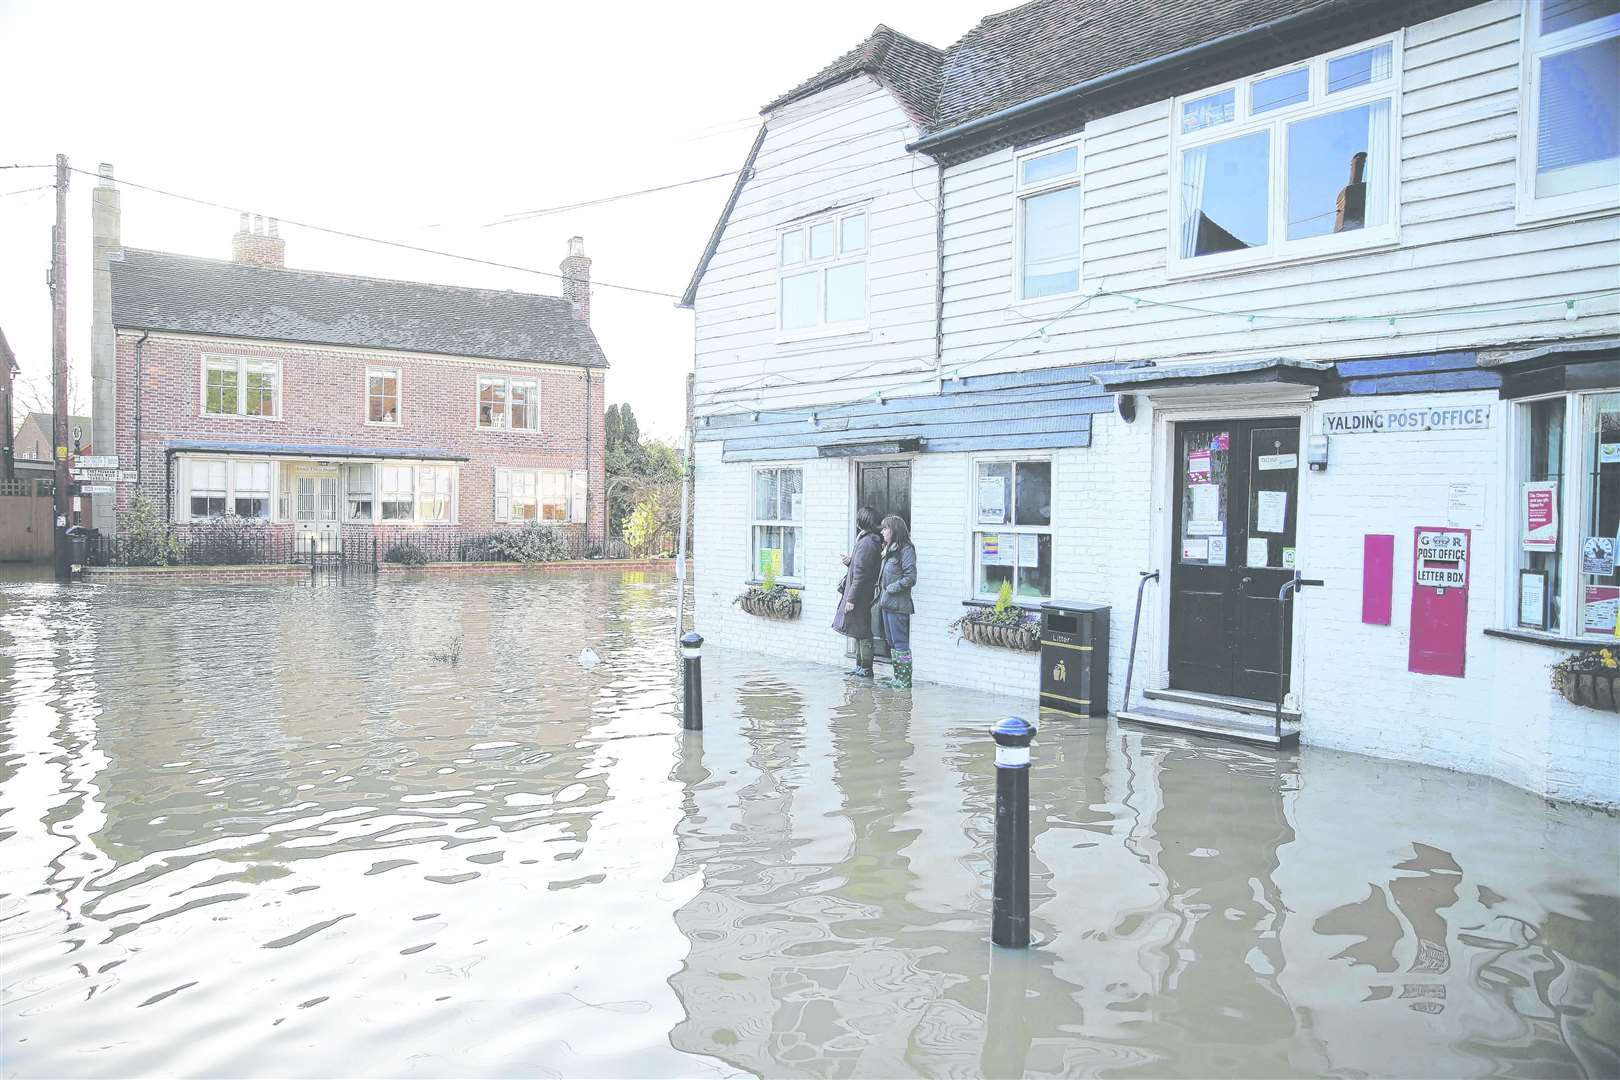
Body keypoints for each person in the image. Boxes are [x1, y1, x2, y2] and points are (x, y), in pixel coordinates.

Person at [833, 506, 882, 678]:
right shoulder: (867, 540)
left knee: (862, 631)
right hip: (861, 591)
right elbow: (861, 567)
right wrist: (851, 561)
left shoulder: (867, 543)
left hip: (860, 594)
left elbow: (861, 575)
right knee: (857, 629)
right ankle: (860, 666)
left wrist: (851, 599)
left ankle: (866, 668)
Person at [876, 514, 917, 689]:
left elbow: (911, 577)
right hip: (886, 603)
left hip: (899, 604)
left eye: (886, 528)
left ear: (895, 530)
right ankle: (897, 678)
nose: (883, 532)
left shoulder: (906, 550)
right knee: (891, 641)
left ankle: (904, 681)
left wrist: (892, 588)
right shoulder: (889, 550)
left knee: (900, 642)